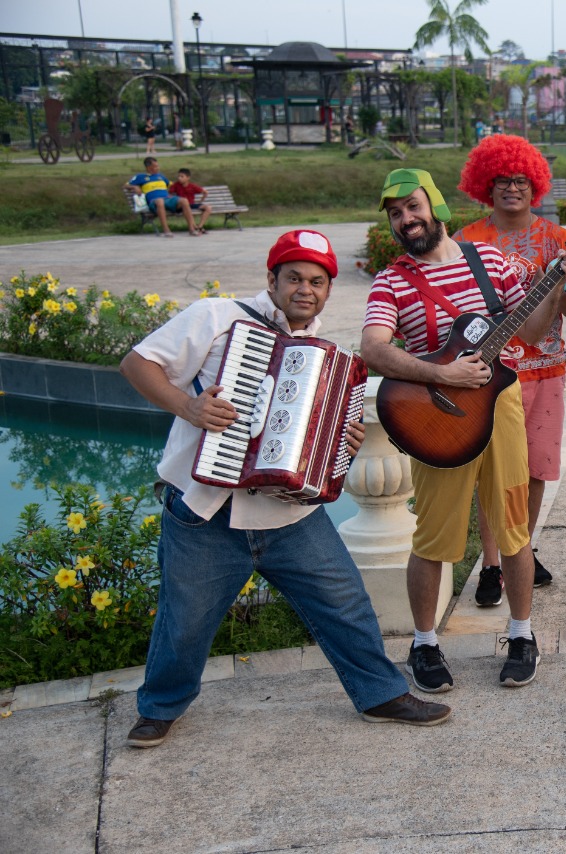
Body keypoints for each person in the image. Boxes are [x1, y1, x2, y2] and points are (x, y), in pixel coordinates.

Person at [118, 229, 450, 748]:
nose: (305, 289)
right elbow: (137, 363)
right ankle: (159, 709)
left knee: (346, 605)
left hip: (289, 517)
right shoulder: (216, 316)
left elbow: (320, 441)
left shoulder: (324, 355)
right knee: (184, 622)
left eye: (317, 281)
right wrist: (189, 406)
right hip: (206, 512)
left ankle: (381, 694)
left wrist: (343, 441)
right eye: (294, 278)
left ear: (328, 290)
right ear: (272, 280)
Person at [361, 168, 566, 692]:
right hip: (438, 418)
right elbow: (373, 348)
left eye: (413, 207)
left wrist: (555, 282)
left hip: (501, 410)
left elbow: (532, 332)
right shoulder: (391, 280)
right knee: (432, 535)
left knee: (514, 528)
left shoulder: (489, 261)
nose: (405, 220)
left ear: (435, 207)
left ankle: (522, 635)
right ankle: (423, 643)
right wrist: (443, 374)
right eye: (395, 214)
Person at [455, 134, 566, 603]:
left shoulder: (560, 240)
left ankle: (522, 552)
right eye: (502, 180)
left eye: (520, 180)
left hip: (546, 369)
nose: (512, 188)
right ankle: (492, 565)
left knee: (536, 469)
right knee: (491, 472)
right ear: (485, 186)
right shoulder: (465, 242)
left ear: (535, 185)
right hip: (490, 375)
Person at [125, 157, 199, 238]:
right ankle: (166, 230)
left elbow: (172, 185)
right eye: (155, 166)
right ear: (148, 167)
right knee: (160, 201)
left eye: (158, 166)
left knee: (184, 201)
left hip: (166, 199)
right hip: (154, 202)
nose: (158, 168)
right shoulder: (140, 177)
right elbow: (126, 185)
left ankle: (192, 229)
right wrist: (135, 187)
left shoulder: (161, 176)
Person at [169, 168, 211, 234]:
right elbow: (169, 194)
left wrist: (201, 201)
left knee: (208, 207)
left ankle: (200, 226)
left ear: (188, 177)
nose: (179, 178)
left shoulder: (192, 186)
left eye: (182, 176)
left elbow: (205, 192)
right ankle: (195, 227)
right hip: (182, 206)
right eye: (178, 176)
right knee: (187, 209)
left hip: (191, 204)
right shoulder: (176, 185)